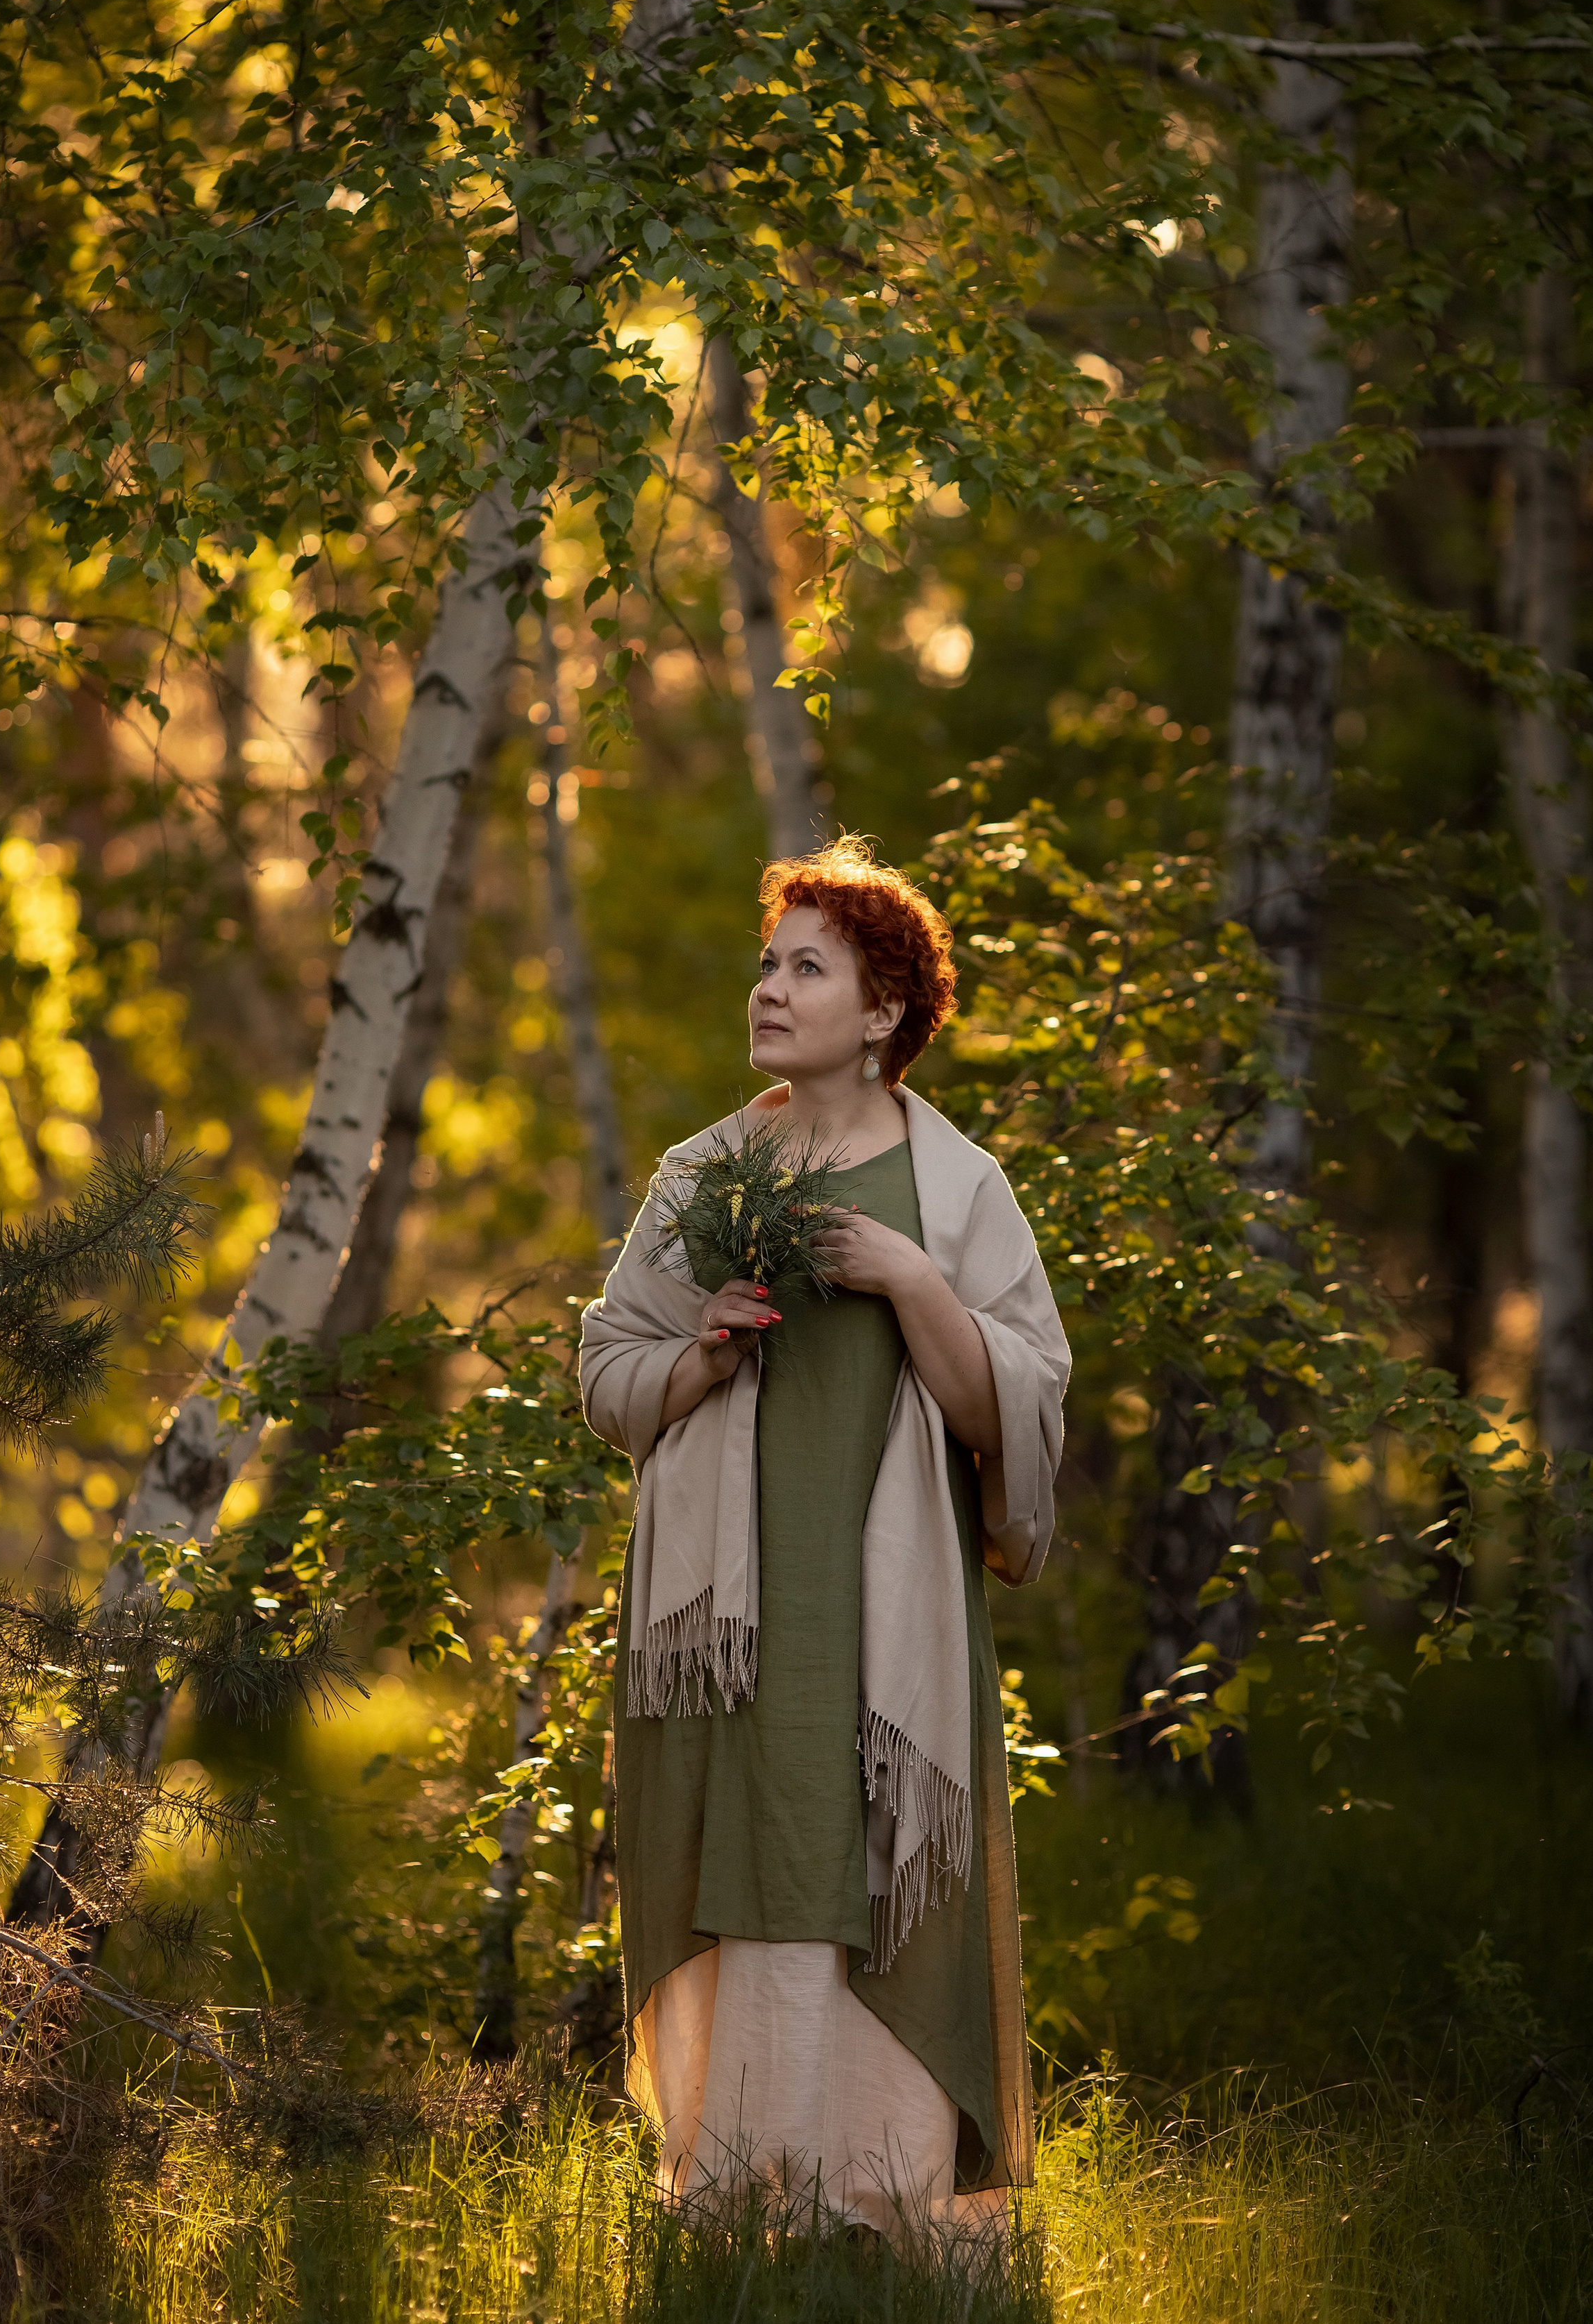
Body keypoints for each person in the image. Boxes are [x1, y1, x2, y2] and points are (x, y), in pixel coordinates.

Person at [579, 836, 1070, 2240]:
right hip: (732, 1607)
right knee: (758, 1840)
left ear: (881, 1014)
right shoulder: (701, 1170)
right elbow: (607, 1371)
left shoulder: (954, 1184)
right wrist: (699, 1355)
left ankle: (876, 2196)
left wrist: (913, 1277)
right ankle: (735, 2187)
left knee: (867, 1848)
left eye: (806, 966)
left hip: (887, 1590)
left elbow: (1018, 1408)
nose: (768, 985)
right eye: (765, 960)